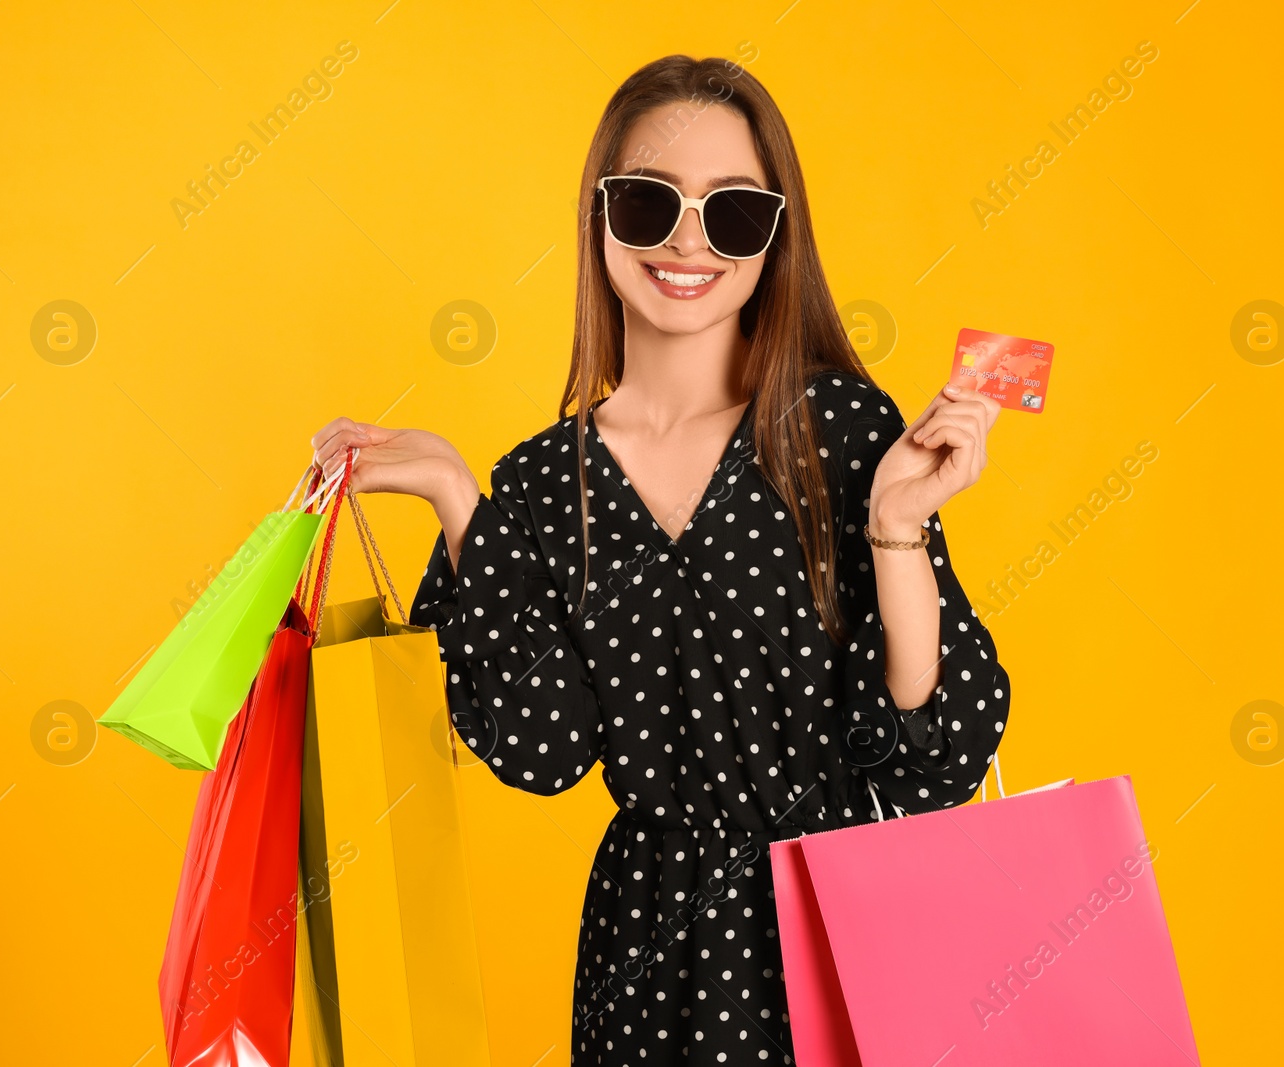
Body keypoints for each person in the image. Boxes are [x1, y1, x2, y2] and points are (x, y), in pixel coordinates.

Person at [311, 53, 1009, 1067]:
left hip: (843, 924)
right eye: (649, 201)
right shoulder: (549, 481)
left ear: (775, 235)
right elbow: (543, 749)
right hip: (647, 952)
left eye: (731, 212)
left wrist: (896, 524)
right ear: (600, 218)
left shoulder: (844, 432)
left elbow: (927, 755)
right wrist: (463, 503)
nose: (688, 240)